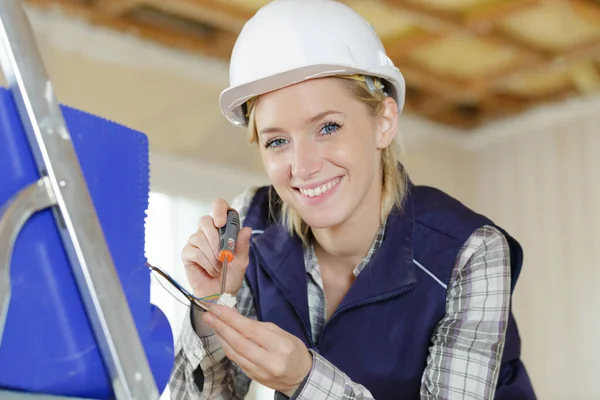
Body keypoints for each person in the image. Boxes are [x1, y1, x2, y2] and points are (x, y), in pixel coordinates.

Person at [168, 0, 536, 399]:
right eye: (277, 141)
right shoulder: (253, 228)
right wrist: (209, 305)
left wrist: (305, 381)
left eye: (327, 127)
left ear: (384, 123)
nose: (302, 166)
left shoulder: (470, 252)